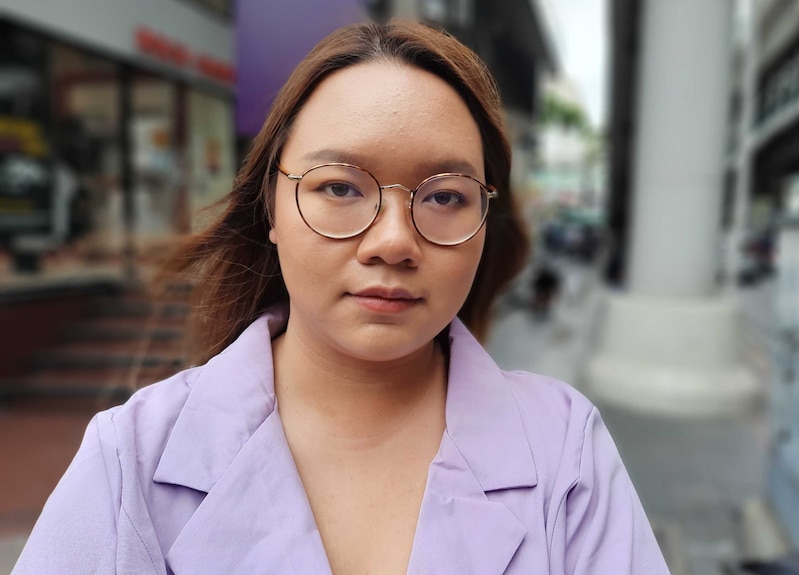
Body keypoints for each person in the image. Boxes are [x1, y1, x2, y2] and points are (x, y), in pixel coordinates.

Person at [14, 20, 670, 575]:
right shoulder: (134, 453)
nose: (392, 241)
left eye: (444, 196)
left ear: (483, 221)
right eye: (340, 187)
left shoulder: (564, 449)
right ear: (272, 203)